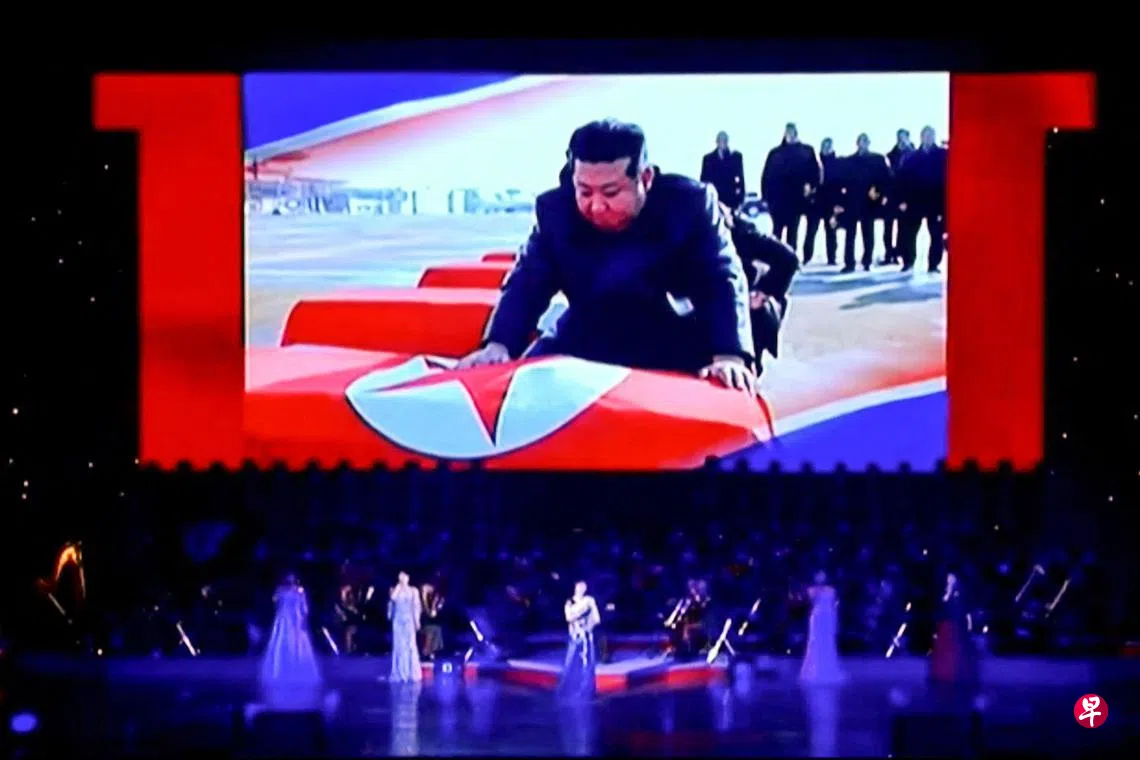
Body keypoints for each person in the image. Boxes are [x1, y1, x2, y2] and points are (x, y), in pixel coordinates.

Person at [458, 119, 756, 393]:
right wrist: (499, 344)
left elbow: (721, 277)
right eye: (585, 192)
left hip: (671, 333)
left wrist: (729, 354)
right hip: (586, 335)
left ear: (646, 178)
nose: (597, 206)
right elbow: (527, 283)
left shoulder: (689, 204)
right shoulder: (555, 212)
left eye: (611, 193)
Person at [720, 204, 799, 377]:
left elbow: (788, 259)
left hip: (750, 314)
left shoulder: (741, 231)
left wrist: (763, 292)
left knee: (747, 367)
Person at [259, 573, 323, 709]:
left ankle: (297, 665)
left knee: (297, 642)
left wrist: (302, 618)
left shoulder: (299, 591)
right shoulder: (281, 591)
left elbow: (304, 607)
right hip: (284, 619)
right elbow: (276, 603)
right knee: (283, 640)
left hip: (295, 619)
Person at [761, 123, 820, 253]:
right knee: (776, 232)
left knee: (792, 232)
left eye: (792, 132)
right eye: (788, 132)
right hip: (777, 200)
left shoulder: (806, 151)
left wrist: (810, 188)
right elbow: (766, 176)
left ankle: (790, 258)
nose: (790, 134)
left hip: (796, 199)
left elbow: (815, 173)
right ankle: (774, 258)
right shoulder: (775, 153)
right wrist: (765, 196)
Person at [895, 126, 947, 273]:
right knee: (909, 233)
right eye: (926, 135)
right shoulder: (911, 157)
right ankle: (908, 261)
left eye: (931, 135)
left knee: (936, 234)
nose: (928, 138)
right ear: (921, 137)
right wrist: (902, 200)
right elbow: (902, 180)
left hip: (936, 201)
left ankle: (933, 264)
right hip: (915, 201)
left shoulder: (943, 155)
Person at [838, 133, 891, 273]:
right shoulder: (849, 161)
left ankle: (867, 261)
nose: (863, 144)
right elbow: (842, 181)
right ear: (857, 143)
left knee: (868, 233)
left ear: (869, 143)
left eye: (866, 141)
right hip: (852, 200)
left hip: (869, 201)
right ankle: (849, 263)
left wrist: (878, 192)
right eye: (861, 141)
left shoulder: (877, 159)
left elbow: (886, 179)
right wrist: (841, 201)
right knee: (850, 234)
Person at [929, 571, 979, 685]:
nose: (950, 581)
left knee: (957, 651)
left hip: (956, 628)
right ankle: (943, 675)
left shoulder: (960, 596)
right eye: (949, 579)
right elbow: (941, 610)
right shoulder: (945, 595)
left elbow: (964, 612)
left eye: (952, 579)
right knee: (946, 651)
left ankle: (957, 675)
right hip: (946, 628)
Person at [799, 571, 846, 684]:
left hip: (828, 617)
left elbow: (834, 605)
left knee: (827, 641)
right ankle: (813, 670)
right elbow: (810, 602)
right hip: (817, 618)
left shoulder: (831, 590)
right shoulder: (811, 590)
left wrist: (835, 620)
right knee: (816, 641)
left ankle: (828, 669)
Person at [557, 580, 601, 699]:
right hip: (574, 636)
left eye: (583, 587)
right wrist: (582, 612)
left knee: (588, 663)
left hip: (586, 636)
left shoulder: (589, 600)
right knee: (570, 662)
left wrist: (588, 627)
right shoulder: (569, 602)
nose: (581, 589)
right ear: (575, 588)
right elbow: (568, 618)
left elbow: (596, 619)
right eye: (579, 587)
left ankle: (588, 691)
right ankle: (564, 690)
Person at [803, 138, 841, 266]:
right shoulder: (814, 163)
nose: (826, 148)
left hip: (831, 203)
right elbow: (808, 181)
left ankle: (832, 258)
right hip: (815, 203)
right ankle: (807, 257)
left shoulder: (837, 163)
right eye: (824, 146)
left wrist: (839, 202)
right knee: (811, 231)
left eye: (829, 146)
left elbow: (840, 184)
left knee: (831, 232)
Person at [882, 128, 914, 264]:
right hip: (891, 197)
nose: (901, 140)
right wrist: (884, 195)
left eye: (903, 137)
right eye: (899, 137)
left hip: (906, 197)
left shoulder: (913, 155)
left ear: (908, 138)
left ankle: (900, 252)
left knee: (903, 228)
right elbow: (885, 177)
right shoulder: (890, 156)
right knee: (888, 228)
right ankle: (889, 254)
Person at [388, 572, 423, 683]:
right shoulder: (394, 590)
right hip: (398, 620)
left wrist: (417, 621)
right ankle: (400, 673)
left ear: (408, 577)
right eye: (400, 576)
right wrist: (399, 587)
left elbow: (416, 606)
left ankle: (411, 673)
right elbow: (393, 599)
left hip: (409, 620)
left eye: (404, 576)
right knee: (399, 645)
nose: (403, 578)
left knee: (410, 644)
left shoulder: (413, 591)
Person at [700, 131, 746, 211]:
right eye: (721, 140)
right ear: (717, 142)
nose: (723, 143)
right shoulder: (708, 159)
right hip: (714, 200)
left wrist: (740, 199)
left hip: (731, 200)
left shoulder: (736, 157)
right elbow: (704, 181)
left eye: (725, 140)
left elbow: (741, 179)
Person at [420, 582, 445, 661]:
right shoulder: (421, 598)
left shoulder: (438, 598)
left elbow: (434, 613)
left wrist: (434, 605)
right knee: (429, 631)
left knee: (434, 630)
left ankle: (431, 653)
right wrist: (424, 598)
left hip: (434, 622)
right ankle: (427, 652)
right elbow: (424, 610)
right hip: (424, 622)